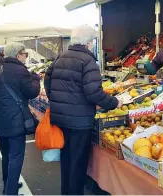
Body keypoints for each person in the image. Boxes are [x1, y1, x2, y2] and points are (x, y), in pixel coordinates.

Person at [44, 25, 122, 195]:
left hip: (62, 120)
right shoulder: (88, 62)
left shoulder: (60, 58)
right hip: (80, 122)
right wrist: (115, 103)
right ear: (87, 42)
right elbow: (94, 93)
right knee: (78, 164)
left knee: (66, 160)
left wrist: (56, 101)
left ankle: (66, 192)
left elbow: (47, 82)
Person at [0, 42, 40, 195]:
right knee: (16, 157)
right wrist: (35, 78)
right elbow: (32, 91)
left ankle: (8, 185)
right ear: (18, 55)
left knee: (6, 155)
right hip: (15, 120)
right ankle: (10, 192)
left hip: (0, 120)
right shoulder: (20, 70)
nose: (26, 57)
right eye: (25, 54)